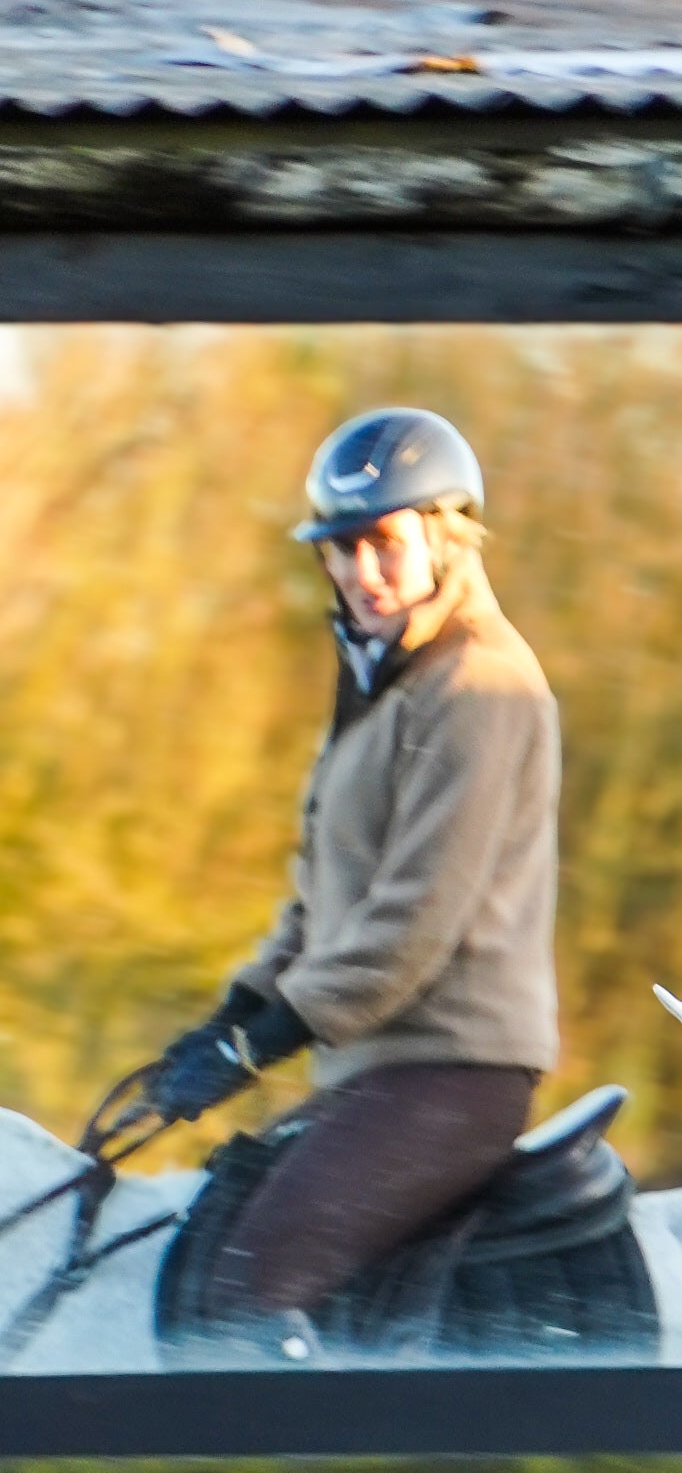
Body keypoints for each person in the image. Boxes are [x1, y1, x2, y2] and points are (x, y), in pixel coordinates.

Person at [139, 406, 560, 1342]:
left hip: (452, 1072)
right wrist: (229, 1015)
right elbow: (317, 900)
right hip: (373, 1068)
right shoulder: (384, 684)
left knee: (249, 1294)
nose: (359, 572)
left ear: (447, 538)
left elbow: (412, 921)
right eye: (338, 548)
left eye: (382, 543)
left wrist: (263, 1045)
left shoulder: (482, 685)